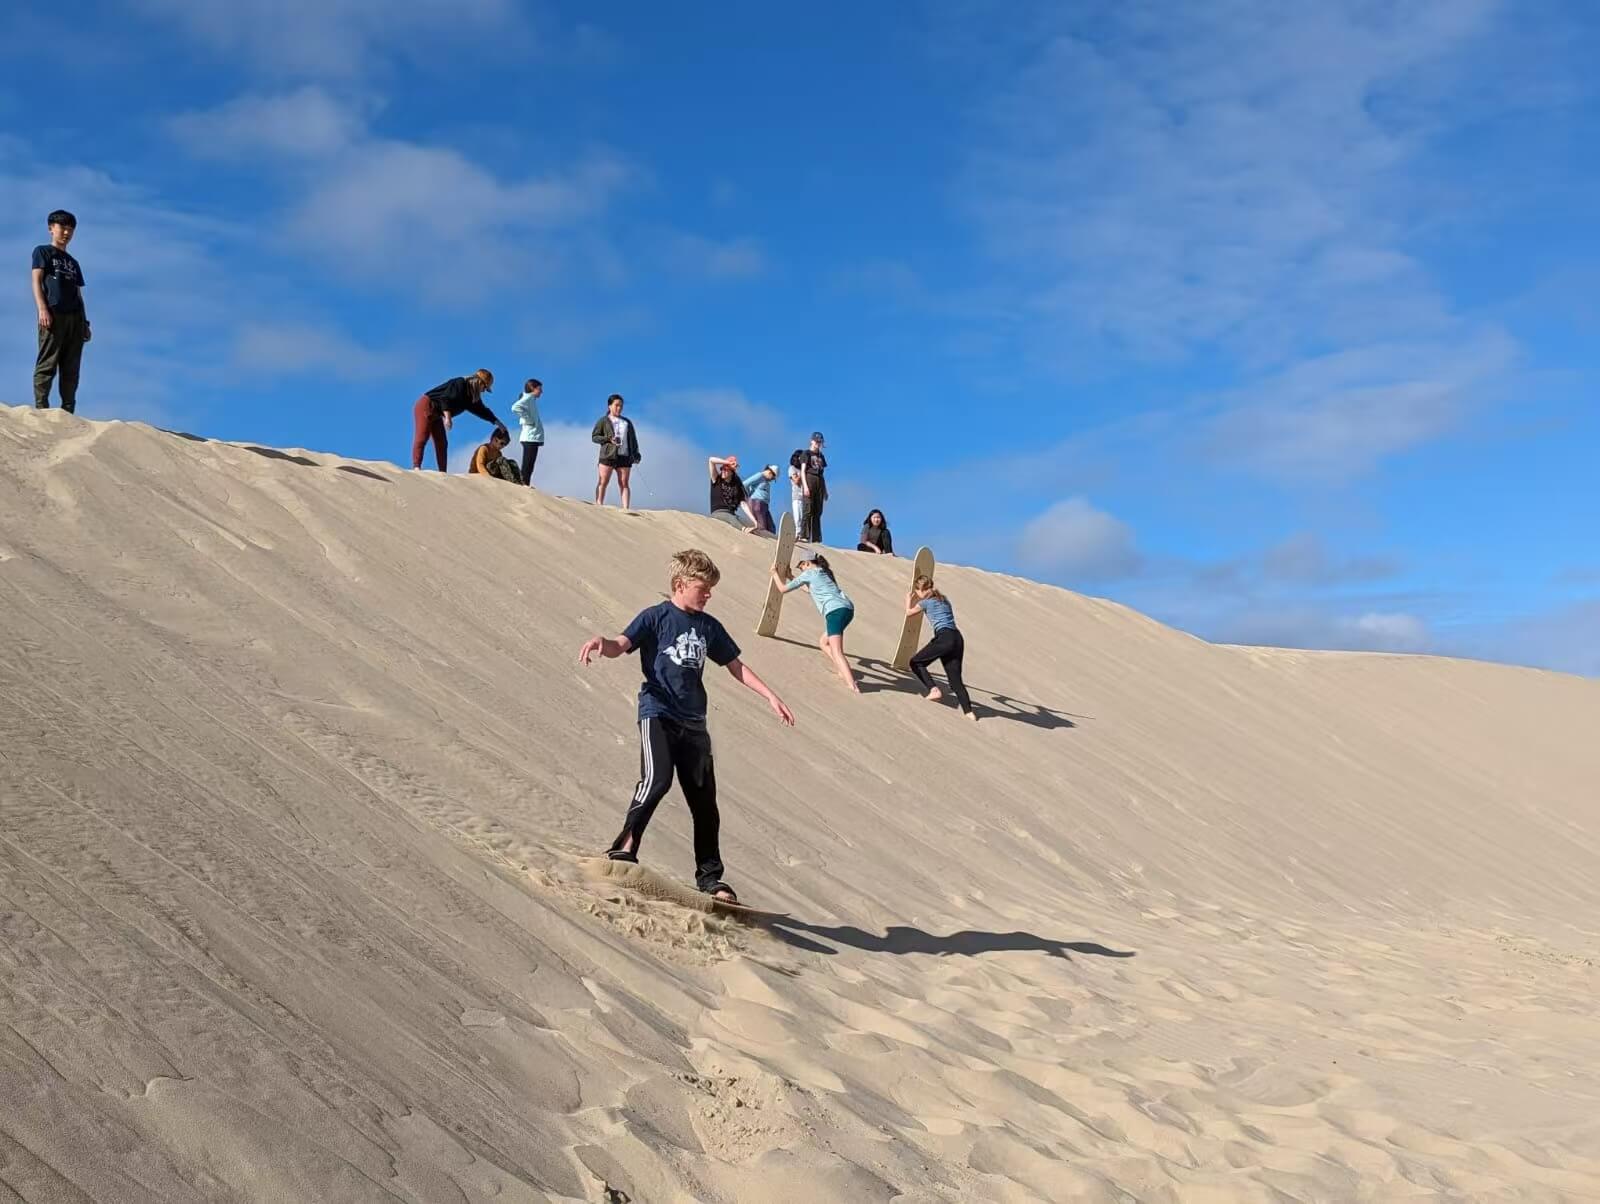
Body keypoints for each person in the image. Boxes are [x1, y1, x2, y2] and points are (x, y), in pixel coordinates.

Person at [579, 549, 795, 903]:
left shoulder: (709, 627)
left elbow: (736, 666)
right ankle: (624, 849)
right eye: (702, 588)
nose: (708, 594)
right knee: (657, 779)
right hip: (658, 713)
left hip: (695, 724)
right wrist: (603, 644)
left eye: (711, 589)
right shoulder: (656, 617)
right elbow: (621, 644)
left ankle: (710, 878)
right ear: (680, 584)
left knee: (705, 805)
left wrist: (770, 695)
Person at [772, 553, 859, 693]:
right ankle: (842, 669)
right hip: (847, 609)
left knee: (836, 651)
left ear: (806, 563)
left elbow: (782, 589)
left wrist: (774, 574)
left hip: (834, 612)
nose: (802, 571)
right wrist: (791, 577)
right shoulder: (823, 572)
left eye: (801, 567)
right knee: (823, 642)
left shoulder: (809, 574)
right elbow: (810, 590)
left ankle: (852, 685)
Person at [32, 209, 90, 414]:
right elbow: (36, 281)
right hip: (53, 313)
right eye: (62, 227)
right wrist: (42, 308)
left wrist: (85, 323)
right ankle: (41, 409)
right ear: (51, 228)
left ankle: (67, 411)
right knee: (48, 362)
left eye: (70, 229)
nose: (66, 232)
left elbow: (78, 294)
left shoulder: (74, 263)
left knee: (71, 368)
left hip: (75, 317)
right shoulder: (43, 252)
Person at [906, 574, 975, 720]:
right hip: (957, 638)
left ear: (922, 589)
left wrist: (908, 601)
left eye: (917, 591)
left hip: (944, 637)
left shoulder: (925, 603)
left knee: (916, 662)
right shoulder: (944, 600)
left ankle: (934, 690)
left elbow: (909, 613)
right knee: (955, 681)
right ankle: (969, 712)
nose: (917, 594)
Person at [412, 369, 504, 471]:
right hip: (426, 406)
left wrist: (498, 423)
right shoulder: (460, 383)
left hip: (438, 414)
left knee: (442, 443)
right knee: (422, 436)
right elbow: (445, 398)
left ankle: (443, 472)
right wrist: (448, 417)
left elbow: (482, 410)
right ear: (478, 382)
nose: (483, 391)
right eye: (484, 387)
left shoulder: (471, 396)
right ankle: (417, 466)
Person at [592, 393, 641, 508]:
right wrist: (608, 439)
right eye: (616, 405)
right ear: (609, 406)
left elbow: (633, 440)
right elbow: (595, 437)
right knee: (603, 481)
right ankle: (599, 505)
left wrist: (636, 454)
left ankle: (626, 508)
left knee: (624, 483)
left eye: (621, 406)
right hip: (608, 455)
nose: (619, 408)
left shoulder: (627, 422)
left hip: (624, 456)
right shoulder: (603, 421)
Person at [789, 432, 828, 542]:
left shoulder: (821, 456)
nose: (818, 444)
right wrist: (805, 487)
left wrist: (825, 490)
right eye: (816, 441)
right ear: (812, 441)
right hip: (810, 479)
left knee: (818, 511)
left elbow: (822, 474)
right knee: (808, 510)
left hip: (819, 482)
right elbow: (802, 471)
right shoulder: (806, 454)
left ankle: (816, 538)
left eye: (820, 442)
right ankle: (804, 536)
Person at [707, 456, 758, 532]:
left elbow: (743, 504)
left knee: (745, 522)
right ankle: (744, 529)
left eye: (726, 469)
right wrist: (728, 463)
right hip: (718, 513)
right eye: (722, 469)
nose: (723, 471)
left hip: (732, 514)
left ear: (732, 472)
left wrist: (754, 520)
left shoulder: (736, 486)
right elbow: (711, 460)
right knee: (731, 518)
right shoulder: (716, 480)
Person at [511, 378, 544, 486]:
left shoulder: (531, 399)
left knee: (529, 465)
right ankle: (523, 485)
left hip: (532, 437)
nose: (541, 391)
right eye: (539, 389)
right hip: (530, 437)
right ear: (533, 388)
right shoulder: (529, 397)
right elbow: (515, 407)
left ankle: (525, 484)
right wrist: (528, 419)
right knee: (527, 465)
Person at [743, 465, 780, 533]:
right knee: (762, 527)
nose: (771, 480)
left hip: (764, 506)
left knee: (772, 528)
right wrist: (748, 496)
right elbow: (745, 484)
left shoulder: (766, 481)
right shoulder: (760, 476)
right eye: (772, 478)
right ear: (770, 472)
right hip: (757, 504)